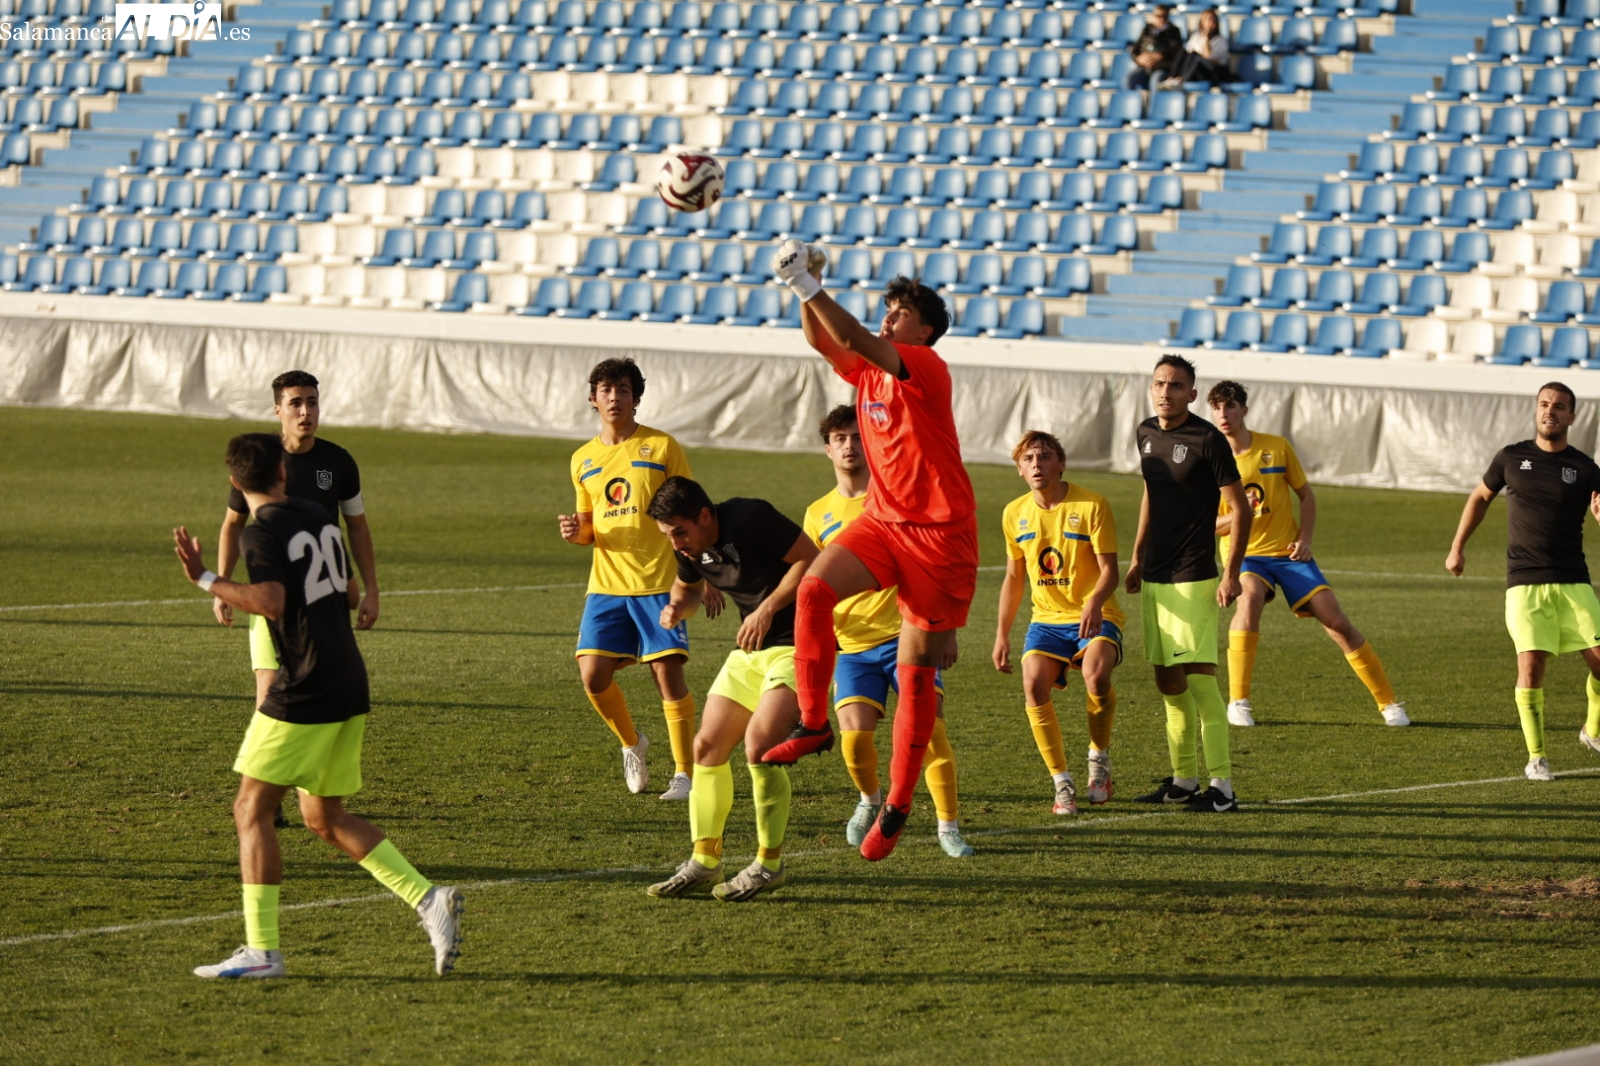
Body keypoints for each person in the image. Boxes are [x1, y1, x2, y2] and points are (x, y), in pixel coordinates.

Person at [175, 432, 462, 979]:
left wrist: (209, 580)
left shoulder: (261, 536)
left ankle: (262, 953)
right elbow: (350, 592)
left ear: (236, 482)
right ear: (283, 472)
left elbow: (273, 602)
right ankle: (430, 901)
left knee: (250, 810)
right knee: (323, 816)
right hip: (348, 678)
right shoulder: (312, 510)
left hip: (305, 685)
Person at [763, 241, 979, 863]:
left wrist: (807, 281)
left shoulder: (925, 368)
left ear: (926, 330)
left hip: (941, 539)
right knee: (813, 589)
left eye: (901, 311)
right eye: (887, 307)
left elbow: (852, 336)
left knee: (915, 680)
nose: (889, 317)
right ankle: (812, 722)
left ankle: (901, 803)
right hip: (885, 523)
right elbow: (825, 342)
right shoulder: (871, 374)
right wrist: (804, 288)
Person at [805, 405, 974, 859]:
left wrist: (947, 630)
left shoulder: (896, 499)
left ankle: (948, 826)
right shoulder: (817, 513)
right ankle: (870, 801)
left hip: (909, 638)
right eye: (840, 438)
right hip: (853, 646)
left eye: (857, 437)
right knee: (855, 739)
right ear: (827, 449)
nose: (850, 445)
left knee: (932, 736)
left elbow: (931, 566)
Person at [214, 370, 375, 829]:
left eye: (312, 402)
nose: (306, 412)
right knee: (269, 691)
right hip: (274, 600)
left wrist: (370, 587)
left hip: (324, 601)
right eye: (296, 403)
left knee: (320, 690)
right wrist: (223, 584)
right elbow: (232, 523)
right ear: (278, 409)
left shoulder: (338, 462)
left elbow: (357, 526)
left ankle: (312, 795)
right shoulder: (260, 460)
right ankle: (275, 796)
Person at [644, 477, 819, 901]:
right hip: (752, 648)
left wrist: (767, 609)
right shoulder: (688, 546)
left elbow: (811, 559)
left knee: (760, 746)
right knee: (706, 747)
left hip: (798, 643)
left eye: (680, 532)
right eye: (668, 535)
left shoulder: (749, 516)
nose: (676, 543)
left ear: (706, 516)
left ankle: (769, 865)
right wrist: (676, 608)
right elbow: (686, 590)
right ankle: (704, 861)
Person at [1208, 381, 1408, 729]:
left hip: (1287, 552)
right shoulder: (1210, 459)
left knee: (1337, 622)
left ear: (1245, 410)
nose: (1223, 415)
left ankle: (1389, 703)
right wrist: (1240, 513)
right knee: (1250, 599)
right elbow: (1209, 524)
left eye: (1230, 407)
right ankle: (1239, 701)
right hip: (1246, 556)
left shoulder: (1276, 447)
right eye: (1217, 408)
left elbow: (1308, 496)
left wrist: (1307, 539)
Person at [559, 358, 698, 801]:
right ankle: (632, 743)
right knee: (592, 676)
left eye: (623, 389)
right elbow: (588, 528)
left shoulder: (661, 447)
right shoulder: (582, 459)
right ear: (593, 398)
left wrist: (704, 570)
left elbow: (692, 512)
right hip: (606, 584)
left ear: (636, 397)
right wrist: (575, 532)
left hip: (659, 581)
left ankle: (684, 774)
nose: (614, 397)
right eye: (606, 389)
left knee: (667, 676)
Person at [1446, 383, 1600, 781]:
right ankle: (1537, 757)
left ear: (1572, 417)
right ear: (1537, 411)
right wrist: (1457, 547)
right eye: (1545, 405)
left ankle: (1592, 731)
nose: (1550, 411)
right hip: (1524, 582)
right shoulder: (1511, 458)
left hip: (1574, 580)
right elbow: (1480, 497)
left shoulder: (1585, 469)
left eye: (1560, 407)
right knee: (1530, 668)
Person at [1126, 355, 1251, 813]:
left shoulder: (1208, 440)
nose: (1166, 392)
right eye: (1159, 383)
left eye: (1176, 386)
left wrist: (1233, 572)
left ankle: (1222, 789)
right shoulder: (1145, 433)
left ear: (1192, 394)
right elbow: (1150, 495)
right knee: (1167, 682)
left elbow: (1241, 508)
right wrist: (1137, 556)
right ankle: (1183, 779)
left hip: (1193, 574)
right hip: (1156, 574)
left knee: (1199, 683)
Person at [994, 430, 1124, 814]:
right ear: (1020, 469)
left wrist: (1096, 602)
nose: (1038, 464)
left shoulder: (1093, 504)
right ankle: (1062, 783)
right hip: (1047, 621)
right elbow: (1014, 579)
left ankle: (1099, 759)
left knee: (1096, 676)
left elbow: (1110, 571)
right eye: (1029, 459)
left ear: (1061, 463)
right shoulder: (1013, 513)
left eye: (1045, 456)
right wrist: (1002, 634)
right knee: (1033, 683)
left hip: (1096, 613)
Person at [1122, 4, 1185, 90]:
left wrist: (1160, 55)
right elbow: (1135, 50)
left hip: (1162, 67)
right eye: (1158, 16)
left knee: (1156, 80)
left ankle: (1154, 103)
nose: (1161, 19)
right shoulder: (1146, 30)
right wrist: (1139, 59)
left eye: (1164, 16)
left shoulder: (1174, 31)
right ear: (1153, 16)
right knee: (1129, 79)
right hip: (1144, 67)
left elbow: (1176, 51)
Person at [1164, 8, 1230, 88]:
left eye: (1212, 19)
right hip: (1194, 71)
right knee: (1183, 51)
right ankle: (1172, 77)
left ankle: (1182, 79)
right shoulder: (1195, 37)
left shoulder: (1221, 40)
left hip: (1211, 72)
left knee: (1196, 56)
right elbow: (1188, 53)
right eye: (1207, 19)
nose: (1210, 22)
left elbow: (1209, 57)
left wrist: (1206, 40)